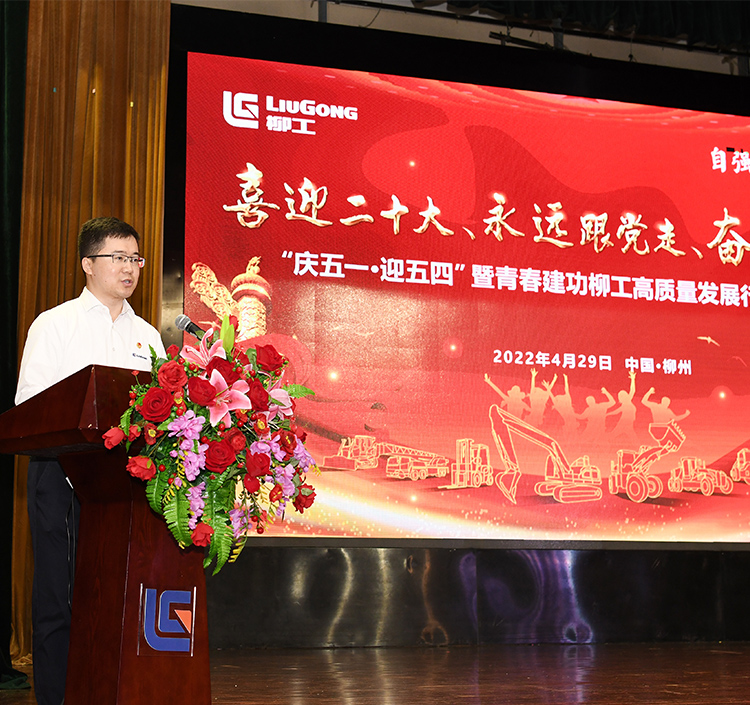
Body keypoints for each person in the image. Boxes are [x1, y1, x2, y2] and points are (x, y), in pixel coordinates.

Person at [15, 217, 166, 705]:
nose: (129, 268)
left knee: (112, 595)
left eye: (135, 258)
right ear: (87, 263)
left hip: (122, 485)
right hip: (62, 474)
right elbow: (29, 404)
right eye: (117, 258)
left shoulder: (148, 336)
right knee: (58, 596)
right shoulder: (55, 324)